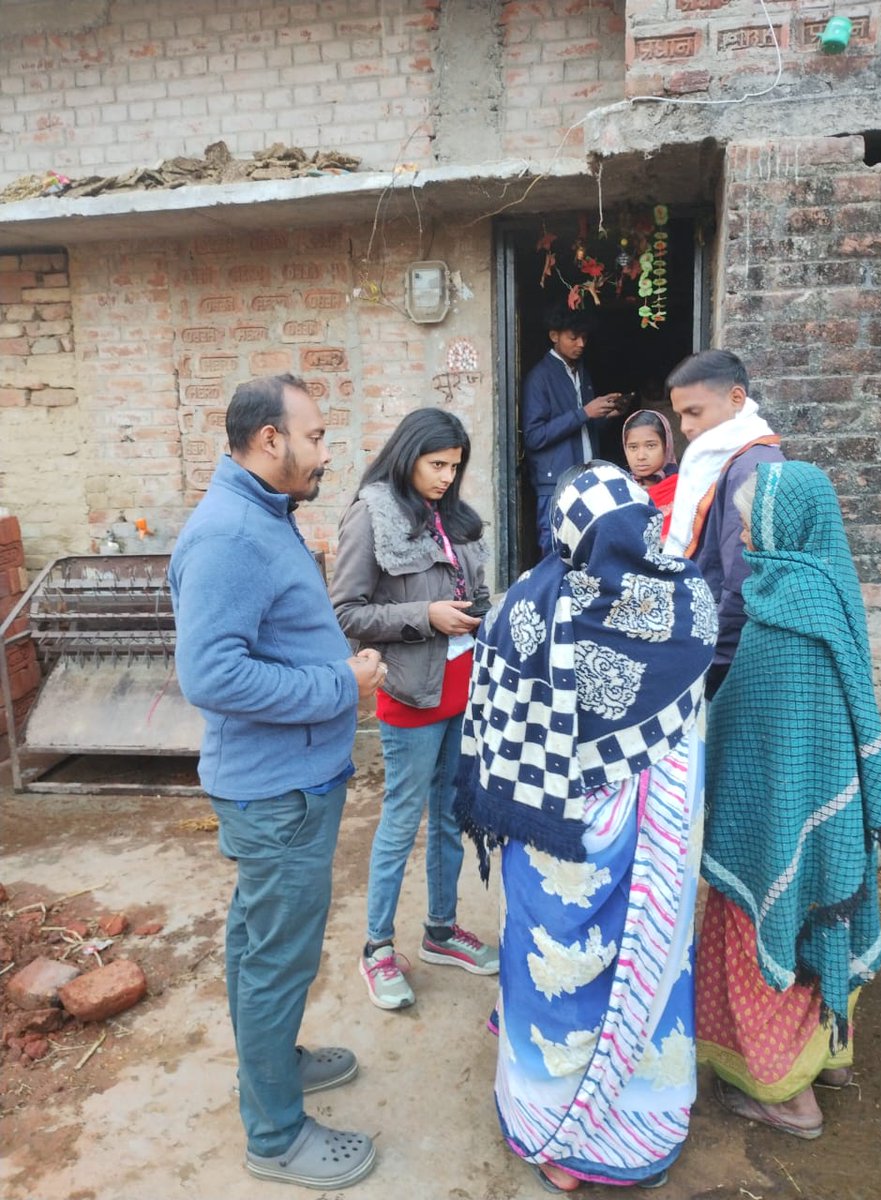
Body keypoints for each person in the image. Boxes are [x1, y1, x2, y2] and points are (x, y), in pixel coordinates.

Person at [456, 462, 718, 1192]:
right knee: (650, 973)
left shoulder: (528, 606)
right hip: (653, 848)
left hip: (555, 835)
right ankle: (635, 1131)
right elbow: (690, 735)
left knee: (550, 968)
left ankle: (552, 1134)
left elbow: (494, 737)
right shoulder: (687, 601)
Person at [169, 374, 384, 1190]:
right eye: (318, 436)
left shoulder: (263, 515)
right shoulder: (228, 535)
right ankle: (275, 1135)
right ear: (269, 441)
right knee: (275, 959)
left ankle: (273, 1067)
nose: (327, 452)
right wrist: (342, 684)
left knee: (260, 946)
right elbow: (212, 674)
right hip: (276, 792)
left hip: (291, 781)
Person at [697, 460, 881, 1139]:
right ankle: (830, 1058)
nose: (746, 531)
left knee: (767, 921)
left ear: (785, 526)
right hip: (831, 821)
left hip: (771, 828)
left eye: (753, 520)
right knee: (826, 910)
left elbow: (747, 732)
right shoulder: (829, 593)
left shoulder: (778, 616)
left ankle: (785, 1096)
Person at [330, 407, 499, 1012]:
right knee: (402, 824)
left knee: (451, 816)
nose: (447, 477)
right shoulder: (371, 514)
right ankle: (377, 948)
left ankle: (442, 931)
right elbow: (346, 613)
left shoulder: (449, 517)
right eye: (436, 465)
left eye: (455, 467)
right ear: (407, 456)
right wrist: (423, 616)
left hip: (463, 691)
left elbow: (471, 593)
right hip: (411, 693)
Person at [663, 349, 783, 698]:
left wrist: (712, 663)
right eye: (680, 415)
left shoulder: (749, 468)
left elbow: (741, 581)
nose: (685, 427)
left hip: (725, 651)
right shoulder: (728, 460)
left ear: (736, 398)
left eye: (693, 412)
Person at [522, 303, 626, 556]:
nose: (581, 343)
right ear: (554, 336)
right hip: (556, 483)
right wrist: (584, 413)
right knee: (556, 550)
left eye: (584, 337)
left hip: (586, 480)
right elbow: (534, 437)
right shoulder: (540, 377)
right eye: (573, 337)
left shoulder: (580, 372)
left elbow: (581, 430)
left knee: (587, 549)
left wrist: (607, 415)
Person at [622, 409, 679, 539]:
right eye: (633, 447)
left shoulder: (685, 490)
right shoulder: (621, 491)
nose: (641, 456)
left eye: (651, 446)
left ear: (667, 446)